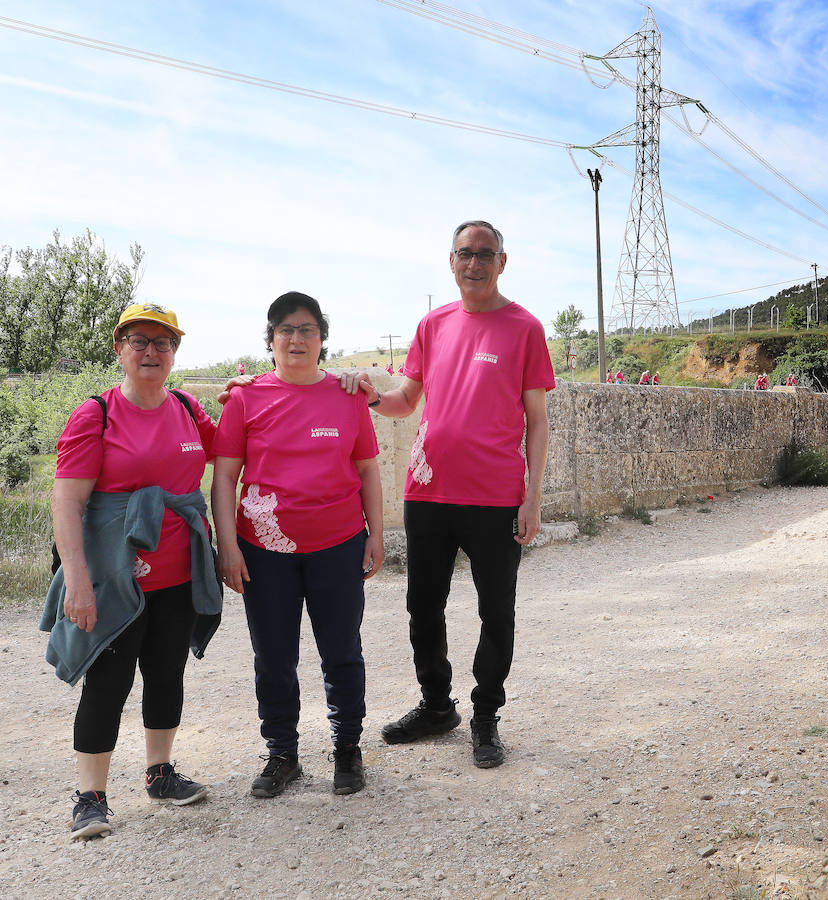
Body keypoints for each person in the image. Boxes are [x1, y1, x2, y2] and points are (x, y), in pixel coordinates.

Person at [342, 220, 555, 769]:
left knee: (496, 611)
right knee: (422, 606)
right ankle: (437, 707)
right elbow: (406, 399)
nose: (474, 263)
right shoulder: (432, 325)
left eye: (485, 254)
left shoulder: (525, 328)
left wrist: (532, 498)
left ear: (502, 262)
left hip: (495, 497)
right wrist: (369, 396)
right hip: (429, 491)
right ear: (451, 261)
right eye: (465, 253)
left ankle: (486, 716)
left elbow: (537, 421)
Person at [43, 303, 221, 840]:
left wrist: (250, 394)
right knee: (107, 681)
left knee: (167, 675)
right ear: (119, 349)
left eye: (162, 343)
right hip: (115, 579)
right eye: (138, 341)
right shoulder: (95, 414)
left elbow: (239, 447)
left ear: (174, 354)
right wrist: (75, 579)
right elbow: (67, 502)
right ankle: (90, 798)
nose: (151, 351)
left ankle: (159, 773)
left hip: (178, 576)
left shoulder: (189, 409)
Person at [212, 292, 384, 797]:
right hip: (263, 550)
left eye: (307, 329)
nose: (296, 338)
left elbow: (368, 469)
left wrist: (375, 534)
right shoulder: (244, 399)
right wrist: (228, 545)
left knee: (342, 651)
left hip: (338, 544)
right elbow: (224, 479)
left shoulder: (349, 395)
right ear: (270, 341)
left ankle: (348, 749)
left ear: (322, 339)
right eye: (285, 329)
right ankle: (282, 754)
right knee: (273, 655)